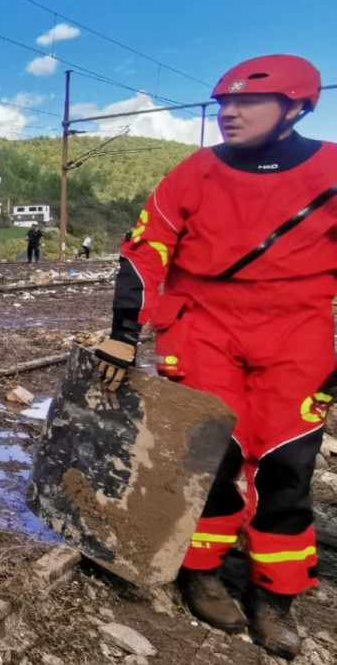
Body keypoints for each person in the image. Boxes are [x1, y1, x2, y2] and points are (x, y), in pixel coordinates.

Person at [93, 54, 336, 659]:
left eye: (247, 102)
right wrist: (123, 332)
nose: (228, 113)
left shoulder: (331, 169)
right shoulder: (194, 173)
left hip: (300, 334)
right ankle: (200, 567)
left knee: (286, 468)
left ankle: (275, 596)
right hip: (202, 327)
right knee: (213, 452)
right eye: (222, 103)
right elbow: (146, 249)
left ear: (297, 106)